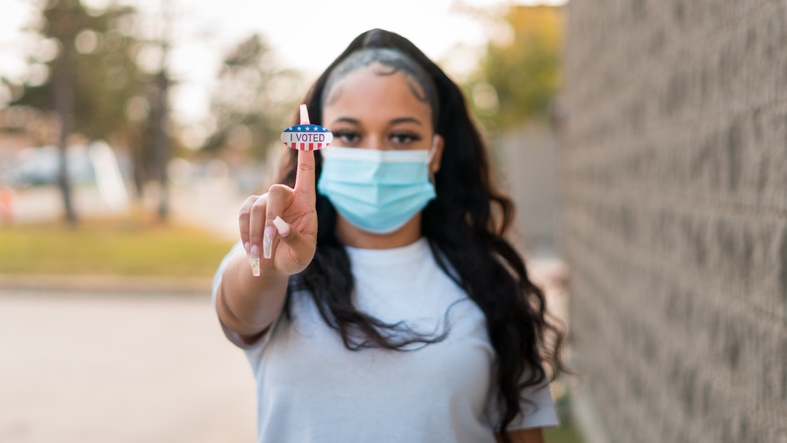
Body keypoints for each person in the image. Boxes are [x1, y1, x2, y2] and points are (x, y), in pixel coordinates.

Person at [212, 29, 566, 443]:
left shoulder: (493, 287)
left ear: (434, 153)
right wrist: (270, 263)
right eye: (348, 135)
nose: (376, 156)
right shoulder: (272, 257)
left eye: (401, 136)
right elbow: (240, 316)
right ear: (318, 146)